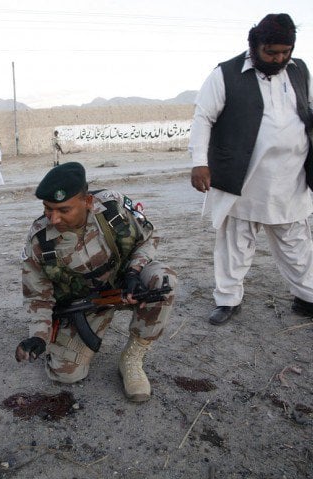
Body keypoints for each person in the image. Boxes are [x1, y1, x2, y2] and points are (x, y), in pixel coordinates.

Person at [189, 13, 313, 325]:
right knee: (236, 241)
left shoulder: (299, 71)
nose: (279, 58)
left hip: (291, 176)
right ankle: (228, 301)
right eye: (271, 52)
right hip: (244, 177)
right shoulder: (225, 74)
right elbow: (203, 117)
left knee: (296, 241)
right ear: (254, 45)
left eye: (285, 52)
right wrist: (199, 163)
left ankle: (307, 297)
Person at [16, 162, 176, 402]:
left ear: (87, 202)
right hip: (85, 303)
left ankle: (132, 359)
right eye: (48, 208)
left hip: (125, 283)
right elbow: (38, 297)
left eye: (64, 210)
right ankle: (82, 333)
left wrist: (134, 272)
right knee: (65, 374)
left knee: (163, 281)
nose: (54, 218)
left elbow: (148, 238)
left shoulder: (112, 206)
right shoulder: (39, 240)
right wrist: (38, 336)